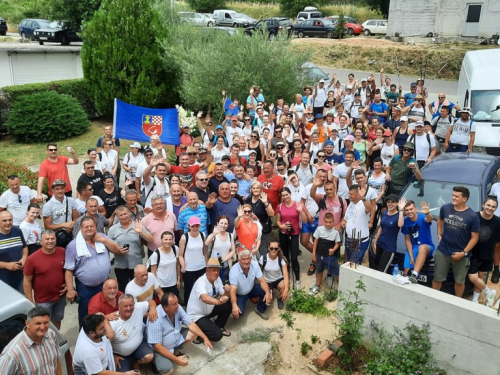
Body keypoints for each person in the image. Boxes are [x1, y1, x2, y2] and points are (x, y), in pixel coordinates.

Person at [65, 216, 121, 327]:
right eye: (86, 227)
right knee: (87, 316)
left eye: (91, 226)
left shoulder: (102, 237)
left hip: (104, 284)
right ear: (81, 228)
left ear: (95, 226)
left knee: (107, 312)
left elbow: (117, 249)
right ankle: (85, 338)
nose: (89, 228)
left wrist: (103, 240)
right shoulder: (73, 246)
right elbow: (68, 270)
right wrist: (70, 289)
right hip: (86, 288)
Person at [147, 293, 213, 375]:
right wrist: (176, 360)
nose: (177, 305)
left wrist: (205, 338)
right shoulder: (156, 319)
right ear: (166, 307)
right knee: (168, 370)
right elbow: (158, 347)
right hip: (160, 349)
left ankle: (174, 351)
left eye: (177, 302)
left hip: (174, 337)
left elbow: (190, 324)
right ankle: (155, 362)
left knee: (193, 334)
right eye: (174, 304)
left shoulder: (177, 308)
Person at [432, 186, 480, 297]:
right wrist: (439, 234)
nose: (453, 198)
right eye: (453, 195)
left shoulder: (472, 216)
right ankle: (433, 299)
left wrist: (463, 253)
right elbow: (440, 219)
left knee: (459, 282)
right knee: (437, 278)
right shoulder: (445, 208)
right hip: (443, 251)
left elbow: (474, 238)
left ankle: (457, 302)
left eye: (456, 196)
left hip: (461, 254)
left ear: (464, 199)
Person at [23, 230, 66, 329]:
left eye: (52, 238)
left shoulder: (63, 252)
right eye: (47, 239)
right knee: (43, 325)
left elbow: (67, 271)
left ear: (56, 240)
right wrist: (30, 300)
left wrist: (68, 285)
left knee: (57, 320)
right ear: (41, 241)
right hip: (43, 300)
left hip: (60, 297)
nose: (50, 241)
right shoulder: (32, 259)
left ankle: (55, 339)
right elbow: (27, 280)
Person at [0, 306, 61, 375]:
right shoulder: (12, 354)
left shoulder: (51, 334)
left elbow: (56, 361)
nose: (43, 327)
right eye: (38, 323)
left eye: (46, 323)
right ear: (27, 323)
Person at [108, 206, 154, 292]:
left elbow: (151, 239)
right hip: (120, 265)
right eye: (120, 215)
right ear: (117, 216)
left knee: (139, 288)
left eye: (125, 214)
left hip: (136, 264)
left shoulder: (137, 225)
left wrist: (141, 233)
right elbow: (108, 246)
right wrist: (116, 250)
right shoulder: (112, 229)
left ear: (129, 213)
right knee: (123, 289)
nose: (124, 216)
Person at [186, 258, 232, 343]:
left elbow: (223, 296)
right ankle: (198, 332)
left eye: (217, 270)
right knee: (217, 336)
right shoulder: (201, 282)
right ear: (207, 270)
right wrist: (218, 302)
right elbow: (204, 298)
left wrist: (227, 291)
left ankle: (218, 327)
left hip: (209, 310)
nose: (216, 273)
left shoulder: (217, 279)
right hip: (197, 315)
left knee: (228, 305)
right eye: (213, 270)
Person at [467, 196, 500, 306]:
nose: (490, 208)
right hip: (474, 253)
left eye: (493, 207)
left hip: (487, 254)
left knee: (480, 277)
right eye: (488, 205)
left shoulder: (497, 221)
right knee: (473, 277)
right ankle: (489, 292)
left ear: (496, 208)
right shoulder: (474, 216)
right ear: (483, 205)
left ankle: (475, 299)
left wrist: (496, 265)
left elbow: (497, 243)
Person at [109, 294, 154, 373]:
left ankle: (135, 364)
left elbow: (151, 302)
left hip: (138, 346)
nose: (129, 308)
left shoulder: (138, 308)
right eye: (125, 306)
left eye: (131, 305)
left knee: (149, 356)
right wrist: (113, 356)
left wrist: (152, 309)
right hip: (120, 355)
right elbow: (103, 344)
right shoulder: (113, 323)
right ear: (119, 306)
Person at [276, 187, 307, 289]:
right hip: (283, 232)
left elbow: (305, 220)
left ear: (290, 194)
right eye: (283, 195)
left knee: (294, 257)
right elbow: (278, 221)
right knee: (285, 257)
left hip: (294, 233)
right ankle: (287, 276)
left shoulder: (297, 205)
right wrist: (281, 226)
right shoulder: (280, 206)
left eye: (287, 194)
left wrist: (300, 211)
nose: (285, 197)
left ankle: (297, 279)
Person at [397, 198, 434, 282]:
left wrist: (427, 213)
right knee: (406, 272)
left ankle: (415, 273)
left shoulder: (422, 217)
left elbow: (429, 219)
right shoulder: (406, 221)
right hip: (413, 247)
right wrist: (411, 255)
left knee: (422, 247)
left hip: (427, 246)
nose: (409, 212)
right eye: (406, 210)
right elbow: (407, 239)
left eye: (411, 209)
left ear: (416, 209)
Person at [229, 250, 273, 320]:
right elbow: (233, 291)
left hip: (252, 288)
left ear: (251, 259)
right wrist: (234, 305)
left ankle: (260, 309)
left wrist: (267, 292)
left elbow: (262, 280)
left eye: (248, 259)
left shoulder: (255, 264)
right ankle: (234, 305)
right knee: (238, 313)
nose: (246, 261)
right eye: (243, 259)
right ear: (239, 260)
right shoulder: (233, 271)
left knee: (265, 291)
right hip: (240, 294)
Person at [310, 213, 341, 295]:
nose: (328, 224)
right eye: (326, 222)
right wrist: (314, 254)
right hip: (319, 255)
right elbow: (315, 241)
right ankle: (317, 286)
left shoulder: (335, 232)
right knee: (319, 271)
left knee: (336, 272)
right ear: (323, 221)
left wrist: (333, 249)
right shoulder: (319, 229)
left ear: (333, 221)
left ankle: (341, 288)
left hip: (329, 256)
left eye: (330, 222)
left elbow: (337, 244)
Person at [179, 216, 208, 304]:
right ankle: (188, 307)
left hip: (201, 266)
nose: (195, 228)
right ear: (189, 226)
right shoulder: (184, 237)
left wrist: (207, 265)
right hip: (189, 268)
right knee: (188, 289)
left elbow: (205, 252)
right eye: (193, 226)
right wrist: (183, 265)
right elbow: (180, 255)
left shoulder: (203, 235)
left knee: (202, 288)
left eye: (197, 226)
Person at [42, 179, 78, 247]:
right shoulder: (48, 205)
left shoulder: (71, 201)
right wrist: (64, 225)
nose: (60, 191)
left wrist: (71, 225)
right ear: (52, 190)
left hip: (71, 234)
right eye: (57, 189)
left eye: (62, 188)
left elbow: (76, 218)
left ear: (65, 189)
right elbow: (47, 227)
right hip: (57, 237)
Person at [342, 185, 372, 264]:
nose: (349, 196)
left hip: (360, 241)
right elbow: (346, 218)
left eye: (351, 194)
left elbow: (370, 209)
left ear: (358, 195)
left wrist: (364, 198)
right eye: (349, 194)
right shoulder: (351, 204)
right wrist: (344, 223)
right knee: (350, 263)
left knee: (354, 264)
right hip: (349, 239)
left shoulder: (363, 204)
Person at [0, 210, 28, 292]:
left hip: (20, 277)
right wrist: (6, 265)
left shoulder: (17, 231)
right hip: (3, 280)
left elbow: (24, 247)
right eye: (4, 220)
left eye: (10, 220)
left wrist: (24, 258)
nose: (8, 223)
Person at [372, 194, 400, 273]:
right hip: (380, 244)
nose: (390, 204)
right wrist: (375, 242)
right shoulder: (385, 213)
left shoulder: (398, 215)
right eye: (388, 202)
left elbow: (400, 224)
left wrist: (401, 211)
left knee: (382, 271)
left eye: (392, 202)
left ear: (397, 203)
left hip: (389, 248)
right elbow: (381, 228)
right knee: (376, 267)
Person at [149, 231, 181, 297]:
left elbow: (178, 265)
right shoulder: (156, 254)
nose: (168, 241)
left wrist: (178, 279)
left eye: (170, 239)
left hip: (173, 283)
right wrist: (155, 286)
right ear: (161, 240)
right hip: (161, 285)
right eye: (166, 239)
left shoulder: (175, 249)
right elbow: (153, 271)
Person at [258, 241, 289, 310]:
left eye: (275, 248)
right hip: (267, 281)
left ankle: (279, 298)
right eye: (271, 248)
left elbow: (286, 275)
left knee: (285, 286)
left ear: (278, 249)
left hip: (278, 279)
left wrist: (286, 289)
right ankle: (269, 291)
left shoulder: (281, 259)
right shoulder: (263, 258)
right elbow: (259, 273)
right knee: (268, 300)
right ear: (268, 248)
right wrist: (267, 290)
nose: (273, 250)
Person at [205, 216, 235, 284]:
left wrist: (226, 258)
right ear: (217, 223)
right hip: (213, 264)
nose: (223, 225)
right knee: (213, 283)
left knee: (224, 283)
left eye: (225, 224)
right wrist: (213, 234)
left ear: (228, 225)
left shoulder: (230, 235)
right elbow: (206, 243)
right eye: (221, 223)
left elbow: (233, 250)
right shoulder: (214, 235)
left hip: (225, 264)